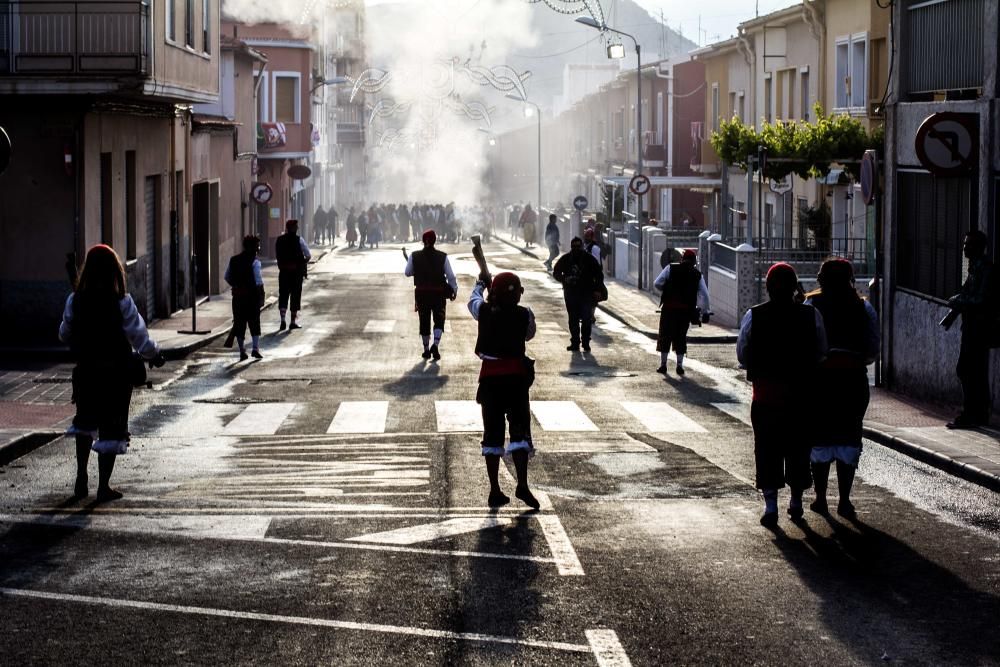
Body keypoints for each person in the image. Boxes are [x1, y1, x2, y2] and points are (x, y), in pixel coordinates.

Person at [59, 244, 164, 501]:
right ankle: (103, 486)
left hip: (86, 372)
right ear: (115, 271)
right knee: (112, 427)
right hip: (116, 375)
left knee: (84, 422)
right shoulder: (122, 303)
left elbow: (64, 333)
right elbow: (140, 337)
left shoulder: (75, 300)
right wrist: (155, 355)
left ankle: (81, 476)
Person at [737, 262, 827, 527]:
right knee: (799, 448)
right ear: (794, 286)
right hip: (801, 397)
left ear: (767, 287)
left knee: (767, 449)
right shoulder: (811, 315)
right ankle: (796, 501)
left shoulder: (754, 315)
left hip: (766, 398)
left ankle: (771, 506)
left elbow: (742, 353)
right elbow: (822, 350)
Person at [805, 258, 879, 518]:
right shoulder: (863, 307)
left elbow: (806, 344)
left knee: (820, 437)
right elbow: (872, 348)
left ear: (822, 280)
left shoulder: (811, 304)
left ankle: (821, 498)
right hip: (852, 381)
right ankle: (845, 500)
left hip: (820, 382)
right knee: (849, 436)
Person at [468, 271, 540, 510]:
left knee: (492, 435)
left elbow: (473, 301)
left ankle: (495, 489)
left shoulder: (484, 311)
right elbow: (530, 334)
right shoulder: (524, 314)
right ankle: (522, 484)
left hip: (490, 381)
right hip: (516, 381)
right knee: (519, 433)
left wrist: (481, 285)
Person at [945, 230, 996, 429]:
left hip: (980, 328)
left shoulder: (986, 270)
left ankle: (973, 413)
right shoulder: (974, 268)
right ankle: (975, 413)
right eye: (965, 244)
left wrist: (958, 300)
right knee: (970, 370)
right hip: (971, 327)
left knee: (969, 370)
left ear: (978, 248)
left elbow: (980, 299)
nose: (964, 248)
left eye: (968, 245)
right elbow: (967, 292)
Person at [653, 249, 709, 376]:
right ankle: (679, 366)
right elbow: (704, 295)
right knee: (680, 336)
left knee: (665, 335)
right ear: (694, 262)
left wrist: (665, 290)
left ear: (682, 259)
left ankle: (663, 365)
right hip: (685, 311)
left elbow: (657, 283)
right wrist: (704, 310)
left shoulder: (670, 268)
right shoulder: (697, 274)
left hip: (668, 309)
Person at [404, 229, 458, 360]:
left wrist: (416, 269)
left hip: (422, 294)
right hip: (438, 294)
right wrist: (454, 289)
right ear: (435, 240)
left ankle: (426, 349)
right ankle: (436, 344)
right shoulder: (443, 256)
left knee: (424, 320)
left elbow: (407, 272)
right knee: (439, 319)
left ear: (423, 241)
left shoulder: (414, 256)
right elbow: (451, 276)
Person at [553, 236, 605, 352]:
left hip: (586, 294)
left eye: (578, 246)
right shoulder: (566, 259)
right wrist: (564, 279)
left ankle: (585, 342)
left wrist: (597, 289)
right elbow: (556, 271)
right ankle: (575, 342)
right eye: (574, 246)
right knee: (573, 319)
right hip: (571, 294)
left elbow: (599, 275)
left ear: (582, 247)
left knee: (586, 319)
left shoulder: (589, 259)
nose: (576, 249)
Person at [225, 235, 265, 361]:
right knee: (254, 323)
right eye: (257, 246)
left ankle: (242, 351)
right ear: (252, 247)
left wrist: (237, 286)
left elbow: (227, 277)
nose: (258, 248)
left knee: (239, 324)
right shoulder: (255, 262)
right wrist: (261, 296)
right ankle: (255, 348)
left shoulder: (234, 260)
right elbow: (258, 281)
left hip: (237, 298)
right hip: (252, 297)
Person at [275, 219, 311, 331]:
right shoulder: (299, 240)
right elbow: (308, 255)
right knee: (295, 296)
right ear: (294, 228)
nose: (298, 228)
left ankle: (282, 320)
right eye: (296, 227)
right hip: (296, 274)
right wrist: (302, 262)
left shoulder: (279, 240)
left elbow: (277, 255)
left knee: (283, 295)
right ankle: (292, 322)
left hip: (284, 273)